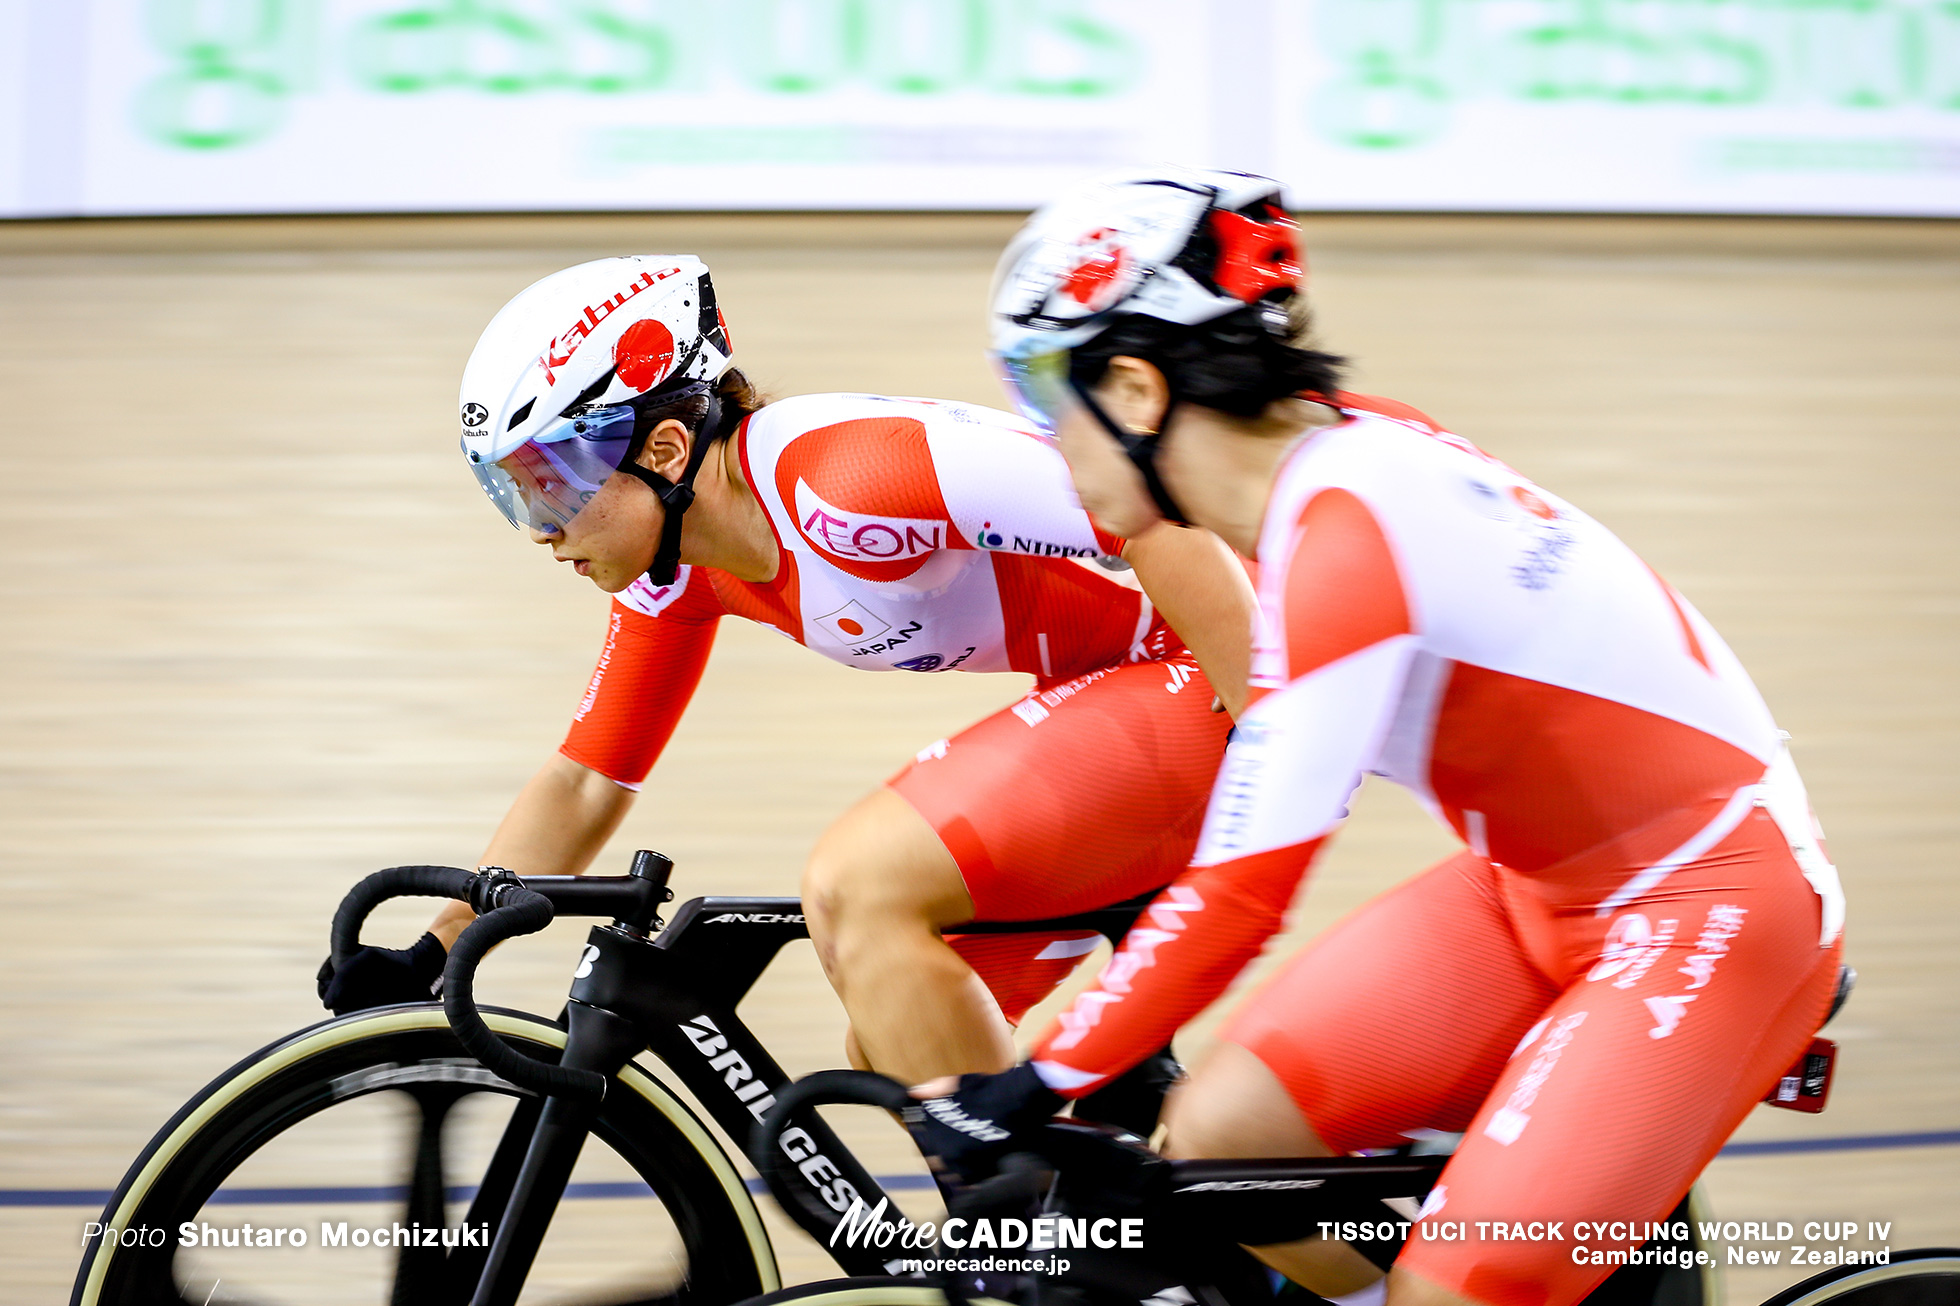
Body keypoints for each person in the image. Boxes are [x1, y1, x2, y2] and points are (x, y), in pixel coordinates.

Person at [910, 169, 1848, 1306]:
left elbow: (1244, 892)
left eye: (1038, 389)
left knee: (1451, 1291)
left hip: (1706, 908)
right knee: (1217, 1143)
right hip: (1532, 888)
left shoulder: (1342, 539)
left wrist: (1039, 1079)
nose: (1036, 435)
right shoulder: (1331, 459)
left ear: (1135, 387)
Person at [318, 253, 1256, 1093]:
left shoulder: (844, 479)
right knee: (900, 1033)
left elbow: (1159, 510)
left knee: (857, 884)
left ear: (665, 449)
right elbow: (587, 777)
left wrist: (1274, 725)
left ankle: (1007, 1238)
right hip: (1153, 694)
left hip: (1222, 664)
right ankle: (1097, 1249)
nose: (540, 526)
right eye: (513, 490)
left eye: (553, 484)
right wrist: (434, 948)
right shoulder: (681, 567)